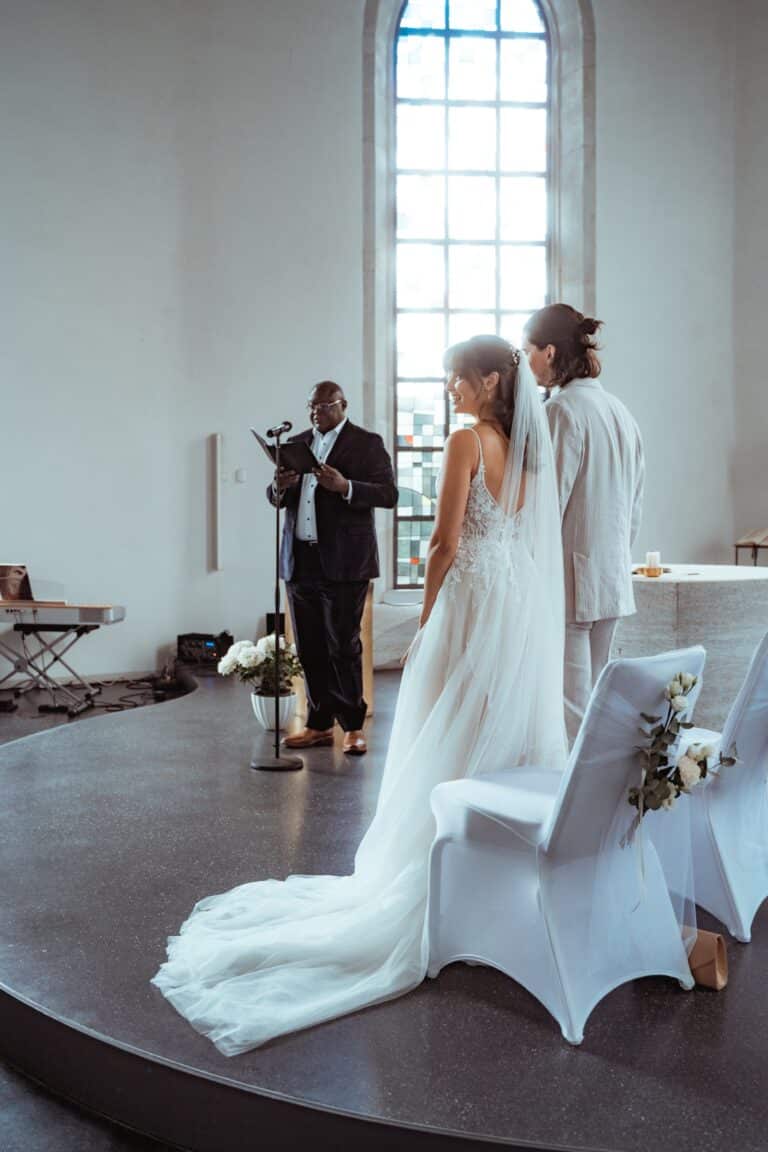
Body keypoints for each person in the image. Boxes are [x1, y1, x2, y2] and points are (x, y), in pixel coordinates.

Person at [152, 337, 567, 1055]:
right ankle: (489, 894)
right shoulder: (529, 450)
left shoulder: (468, 443)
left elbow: (442, 543)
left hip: (469, 605)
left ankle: (432, 889)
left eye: (455, 379)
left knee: (440, 739)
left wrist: (432, 612)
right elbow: (523, 540)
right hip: (516, 612)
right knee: (497, 736)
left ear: (490, 380)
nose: (448, 390)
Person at [524, 304, 645, 746]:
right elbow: (635, 504)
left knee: (571, 705)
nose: (528, 362)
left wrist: (529, 572)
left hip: (571, 581)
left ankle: (578, 806)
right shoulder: (619, 411)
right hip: (611, 574)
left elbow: (545, 507)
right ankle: (599, 798)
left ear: (550, 351)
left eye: (529, 351)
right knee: (596, 698)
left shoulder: (562, 411)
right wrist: (616, 553)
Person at [269, 380, 397, 756]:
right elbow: (277, 498)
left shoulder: (366, 443)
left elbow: (388, 494)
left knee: (343, 645)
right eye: (311, 406)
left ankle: (353, 727)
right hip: (300, 559)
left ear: (343, 405)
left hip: (345, 563)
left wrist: (345, 486)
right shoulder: (298, 444)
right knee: (309, 648)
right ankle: (319, 725)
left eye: (324, 406)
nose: (315, 413)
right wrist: (279, 487)